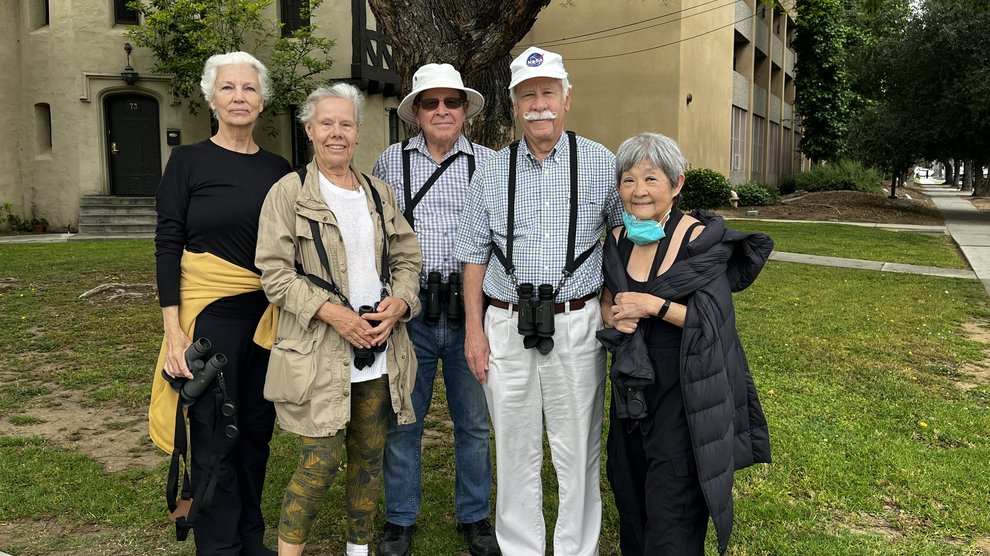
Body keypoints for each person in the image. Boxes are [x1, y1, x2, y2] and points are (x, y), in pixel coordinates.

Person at [453, 46, 622, 556]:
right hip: (506, 323)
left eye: (548, 92)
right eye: (528, 95)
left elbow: (620, 240)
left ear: (567, 99)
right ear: (514, 105)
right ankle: (521, 548)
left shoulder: (600, 162)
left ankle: (577, 549)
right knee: (515, 447)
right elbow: (473, 255)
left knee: (578, 451)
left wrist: (616, 307)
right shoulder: (491, 169)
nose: (539, 104)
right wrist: (474, 330)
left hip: (577, 321)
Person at [255, 82, 422, 556]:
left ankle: (358, 549)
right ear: (309, 129)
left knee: (368, 460)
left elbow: (408, 260)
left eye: (345, 124)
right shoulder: (288, 194)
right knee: (319, 463)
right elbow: (273, 273)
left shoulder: (378, 192)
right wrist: (334, 315)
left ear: (357, 131)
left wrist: (400, 303)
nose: (336, 133)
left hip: (377, 350)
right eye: (326, 123)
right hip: (319, 354)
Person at [597, 132, 773, 555]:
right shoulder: (618, 239)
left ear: (677, 184)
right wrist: (614, 317)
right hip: (633, 387)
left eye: (651, 179)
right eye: (628, 180)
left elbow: (711, 323)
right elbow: (607, 301)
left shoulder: (699, 241)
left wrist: (651, 306)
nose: (639, 191)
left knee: (672, 501)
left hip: (685, 386)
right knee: (631, 490)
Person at [152, 51, 291, 556]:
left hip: (268, 319)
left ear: (262, 100)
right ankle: (219, 547)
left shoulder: (279, 169)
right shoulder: (188, 162)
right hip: (211, 319)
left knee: (256, 433)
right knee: (216, 436)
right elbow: (168, 244)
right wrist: (174, 331)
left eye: (249, 88)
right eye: (229, 88)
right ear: (212, 98)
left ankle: (251, 541)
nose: (239, 97)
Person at [372, 63, 499, 556]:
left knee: (473, 422)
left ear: (465, 109)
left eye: (451, 102)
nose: (442, 110)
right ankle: (399, 520)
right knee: (404, 419)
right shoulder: (389, 162)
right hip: (413, 312)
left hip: (472, 312)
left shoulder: (490, 163)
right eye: (431, 103)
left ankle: (476, 517)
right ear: (416, 113)